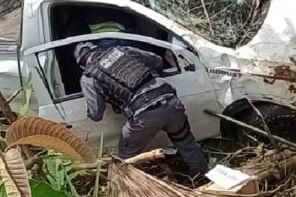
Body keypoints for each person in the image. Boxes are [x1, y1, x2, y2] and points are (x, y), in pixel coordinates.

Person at [74, 42, 208, 176]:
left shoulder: (89, 77)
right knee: (185, 141)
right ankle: (201, 177)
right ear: (97, 49)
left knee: (126, 158)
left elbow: (96, 114)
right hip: (169, 99)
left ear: (81, 64)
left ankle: (134, 187)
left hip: (145, 114)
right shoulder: (122, 50)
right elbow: (157, 61)